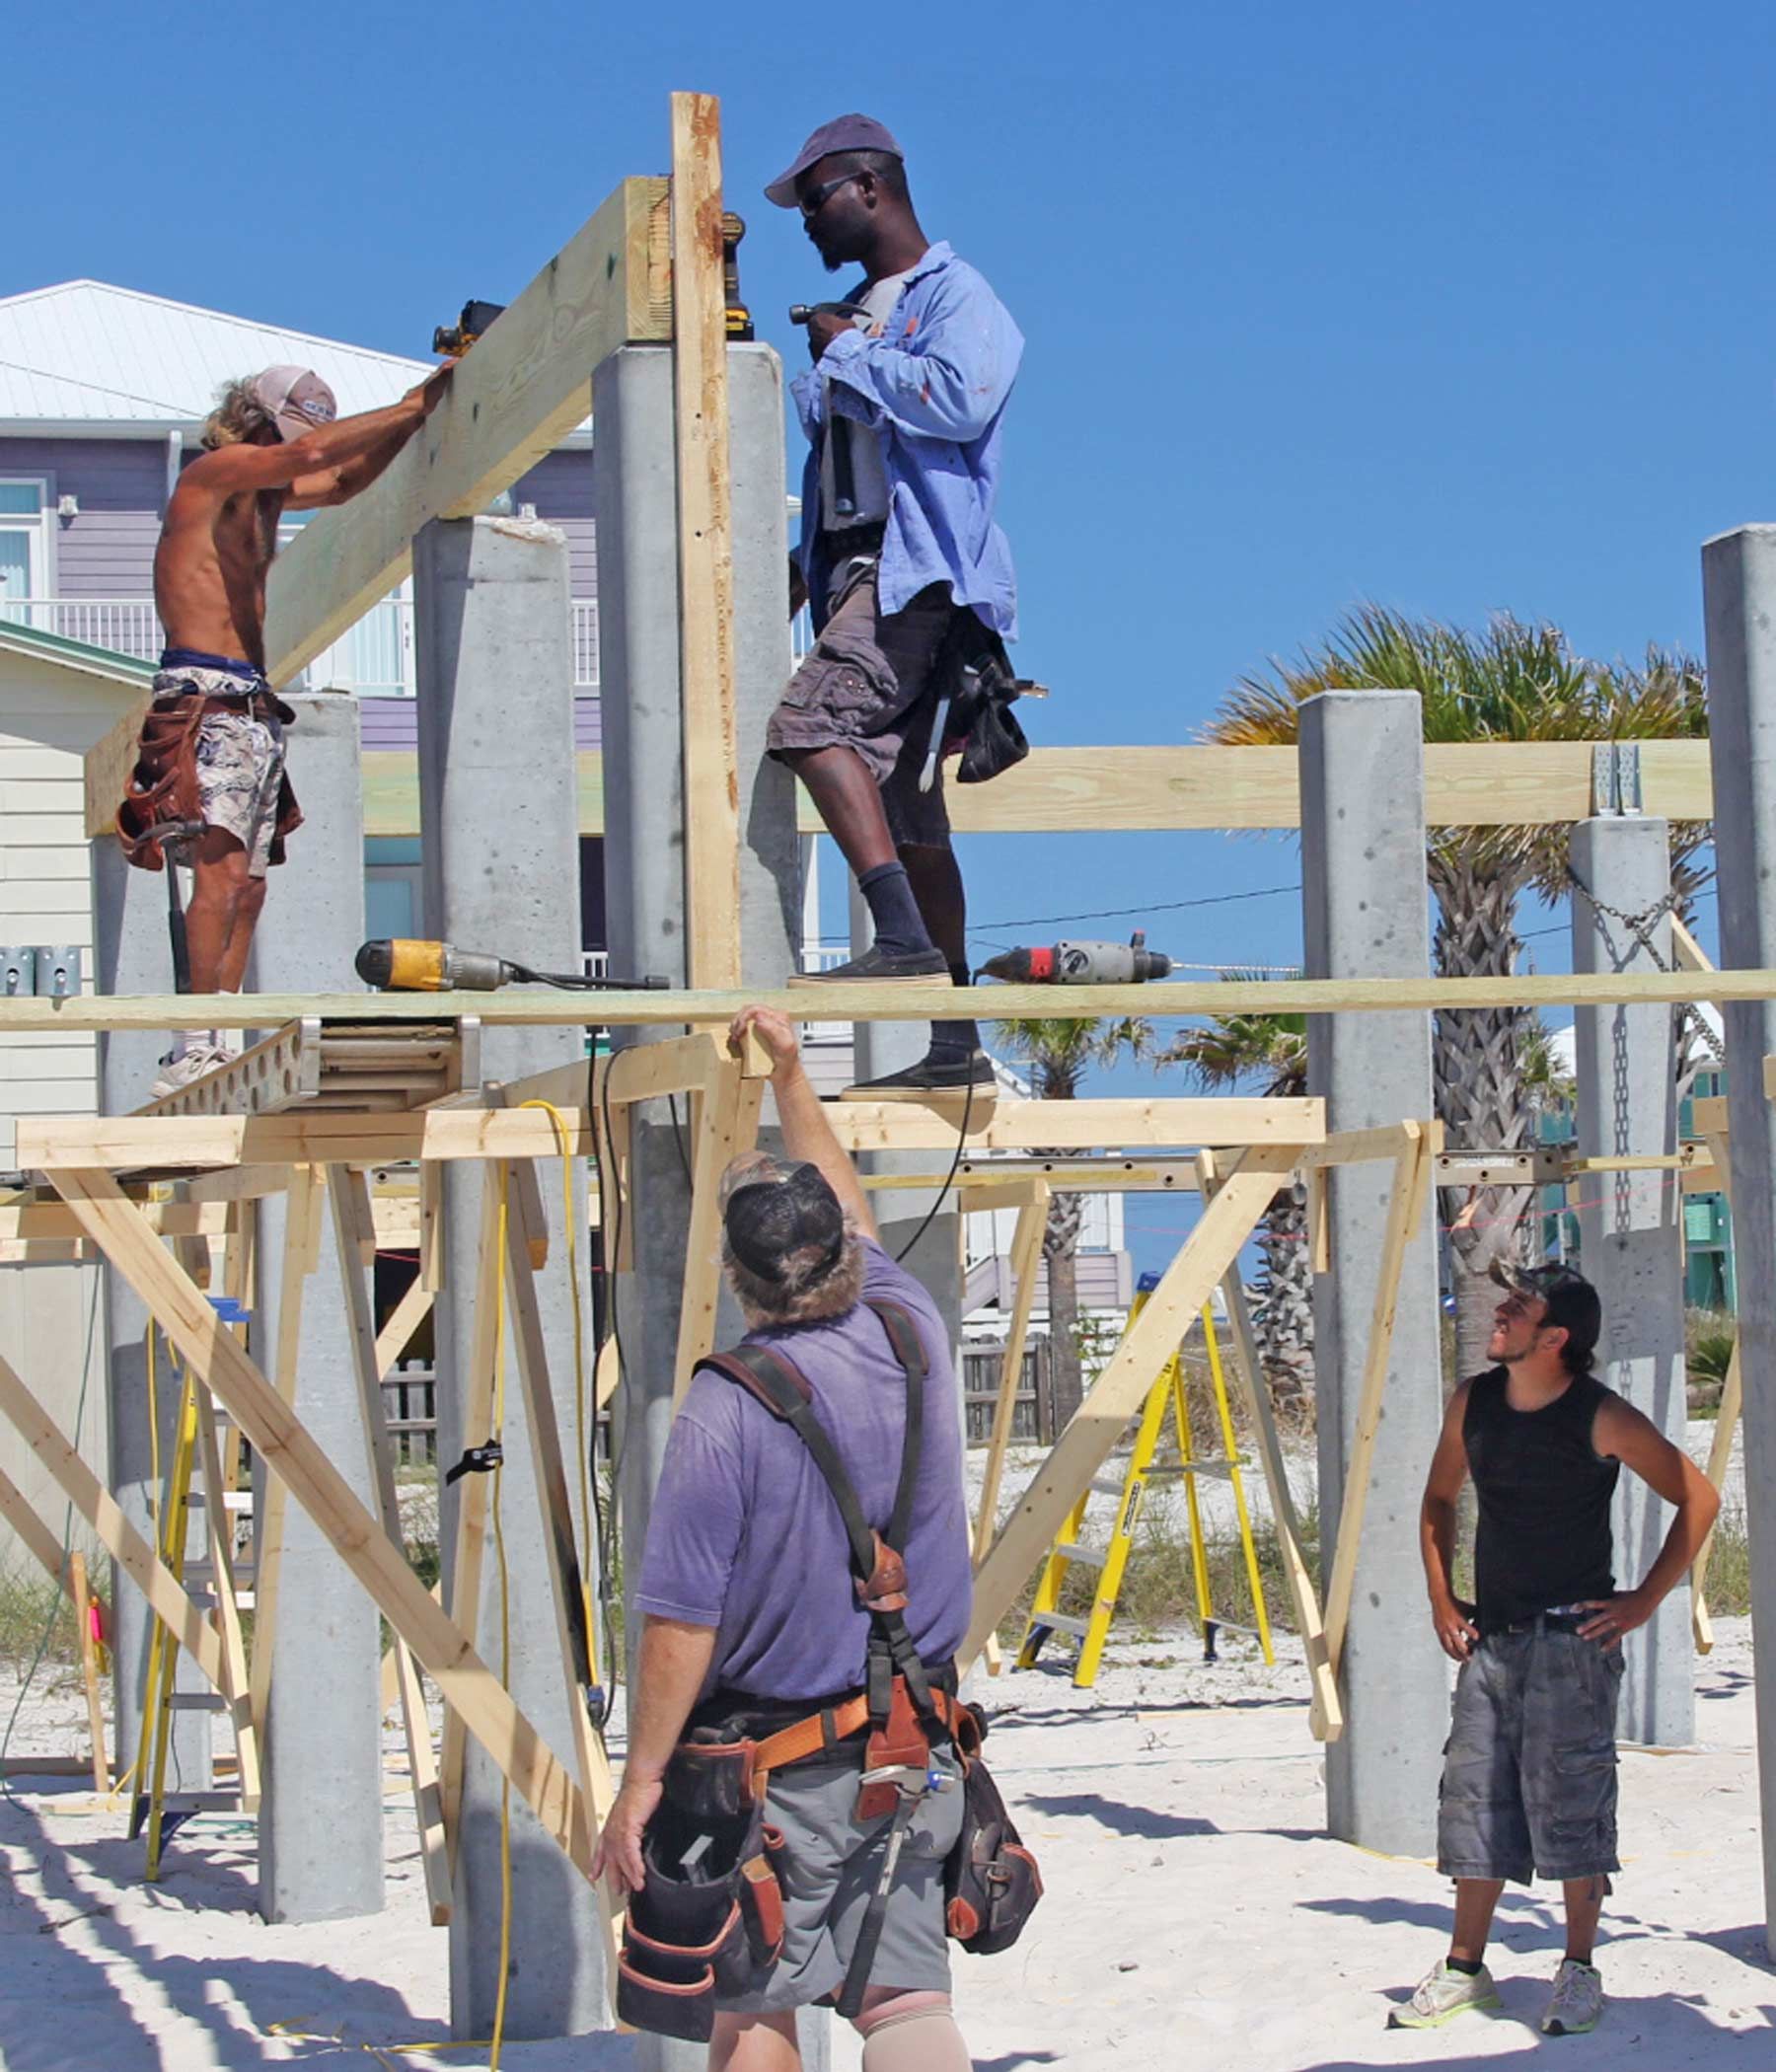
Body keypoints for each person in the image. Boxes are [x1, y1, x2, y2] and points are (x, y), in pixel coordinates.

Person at [593, 1003, 976, 2072]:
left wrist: (640, 1785)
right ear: (840, 1261)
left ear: (742, 1281)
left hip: (775, 1761)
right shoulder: (910, 1329)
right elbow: (850, 1210)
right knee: (903, 1998)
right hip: (915, 1731)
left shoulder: (725, 1412)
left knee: (753, 2008)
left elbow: (680, 1627)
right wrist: (793, 1078)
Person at [763, 114, 1023, 1098]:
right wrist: (802, 567)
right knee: (910, 809)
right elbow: (852, 477)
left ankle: (905, 944)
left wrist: (849, 352)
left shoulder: (956, 295)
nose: (807, 224)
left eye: (817, 200)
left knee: (809, 723)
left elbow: (963, 400)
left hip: (916, 575)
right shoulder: (861, 308)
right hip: (859, 566)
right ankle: (955, 1045)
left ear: (869, 188)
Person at [1395, 1262, 1720, 2036]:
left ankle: (1578, 1969)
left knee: (1573, 1804)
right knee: (1473, 1802)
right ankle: (1466, 1969)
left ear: (1556, 1338)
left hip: (1574, 1641)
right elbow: (1439, 1497)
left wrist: (1643, 1601)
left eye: (1519, 1307)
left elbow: (1697, 1498)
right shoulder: (1473, 1402)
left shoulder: (1600, 1415)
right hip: (1493, 1640)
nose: (1499, 1314)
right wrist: (1441, 1597)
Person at [121, 362, 450, 1095]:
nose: (292, 444)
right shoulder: (213, 472)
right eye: (284, 429)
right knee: (218, 871)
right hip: (205, 692)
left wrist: (412, 420)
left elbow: (338, 483)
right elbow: (311, 458)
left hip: (252, 702)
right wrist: (410, 405)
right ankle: (193, 1040)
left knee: (252, 885)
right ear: (254, 419)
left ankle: (222, 1027)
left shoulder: (264, 491)